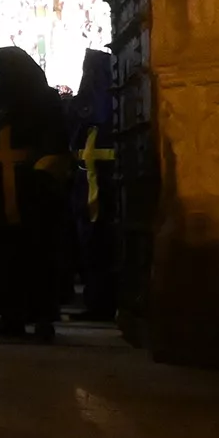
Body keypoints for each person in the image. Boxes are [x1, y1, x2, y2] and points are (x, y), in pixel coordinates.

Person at [0, 47, 71, 341]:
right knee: (8, 253)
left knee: (35, 252)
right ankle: (16, 317)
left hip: (33, 188)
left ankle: (37, 318)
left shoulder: (35, 99)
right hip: (7, 185)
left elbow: (58, 139)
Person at [68, 48, 118, 322]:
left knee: (101, 243)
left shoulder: (93, 103)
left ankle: (104, 301)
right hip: (90, 179)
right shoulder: (94, 102)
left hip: (102, 181)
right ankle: (97, 299)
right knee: (92, 244)